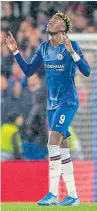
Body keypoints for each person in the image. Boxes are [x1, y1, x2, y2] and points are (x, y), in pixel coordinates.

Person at [6, 11, 90, 206]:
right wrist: (16, 51)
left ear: (64, 29)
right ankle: (73, 197)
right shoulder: (44, 48)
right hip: (52, 105)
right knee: (63, 149)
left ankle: (52, 194)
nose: (52, 20)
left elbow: (86, 71)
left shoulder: (72, 46)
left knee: (52, 142)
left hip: (68, 101)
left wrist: (72, 52)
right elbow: (28, 71)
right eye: (51, 19)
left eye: (57, 20)